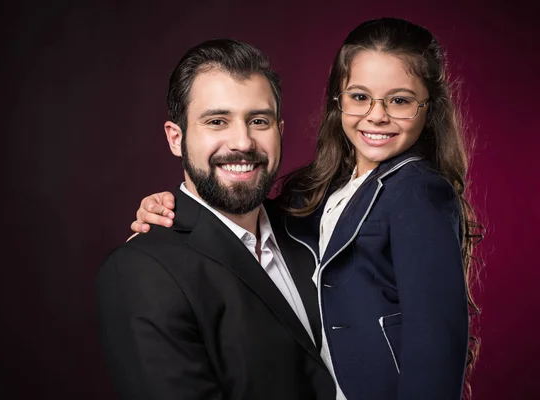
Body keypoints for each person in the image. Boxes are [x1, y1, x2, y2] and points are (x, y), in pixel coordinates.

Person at [130, 18, 483, 400]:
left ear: (428, 107)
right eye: (360, 97)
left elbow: (435, 339)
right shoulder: (322, 190)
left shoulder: (420, 192)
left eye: (400, 100)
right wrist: (172, 206)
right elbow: (243, 217)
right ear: (338, 101)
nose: (377, 115)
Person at [97, 39, 337, 399]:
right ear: (176, 139)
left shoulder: (315, 228)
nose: (242, 142)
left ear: (280, 132)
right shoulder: (141, 270)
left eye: (258, 120)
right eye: (216, 121)